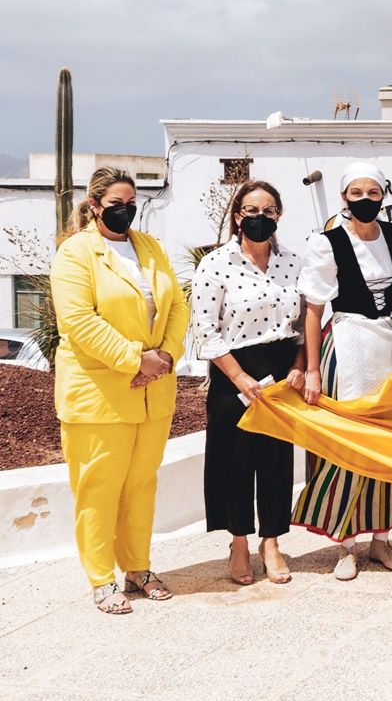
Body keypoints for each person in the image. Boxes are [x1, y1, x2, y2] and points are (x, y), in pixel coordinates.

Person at [50, 167, 190, 614]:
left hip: (152, 393)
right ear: (94, 206)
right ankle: (100, 577)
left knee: (141, 485)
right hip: (99, 392)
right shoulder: (75, 253)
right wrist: (136, 358)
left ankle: (137, 567)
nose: (125, 210)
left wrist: (165, 355)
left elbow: (178, 304)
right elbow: (79, 321)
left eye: (131, 202)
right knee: (99, 488)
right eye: (115, 203)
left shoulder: (148, 246)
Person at [294, 163, 392, 581]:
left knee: (389, 440)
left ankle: (381, 536)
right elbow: (313, 309)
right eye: (356, 192)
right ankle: (345, 543)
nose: (365, 200)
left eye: (373, 193)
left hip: (390, 342)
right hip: (349, 342)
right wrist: (312, 370)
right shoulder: (326, 243)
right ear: (343, 197)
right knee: (350, 443)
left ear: (383, 196)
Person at [192, 180, 306, 585]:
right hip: (233, 369)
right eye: (251, 211)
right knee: (234, 462)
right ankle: (238, 541)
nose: (260, 218)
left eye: (269, 211)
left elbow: (303, 323)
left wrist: (299, 364)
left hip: (280, 369)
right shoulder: (215, 263)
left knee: (276, 461)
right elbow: (204, 328)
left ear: (279, 215)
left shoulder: (294, 261)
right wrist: (239, 377)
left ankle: (271, 541)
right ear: (238, 216)